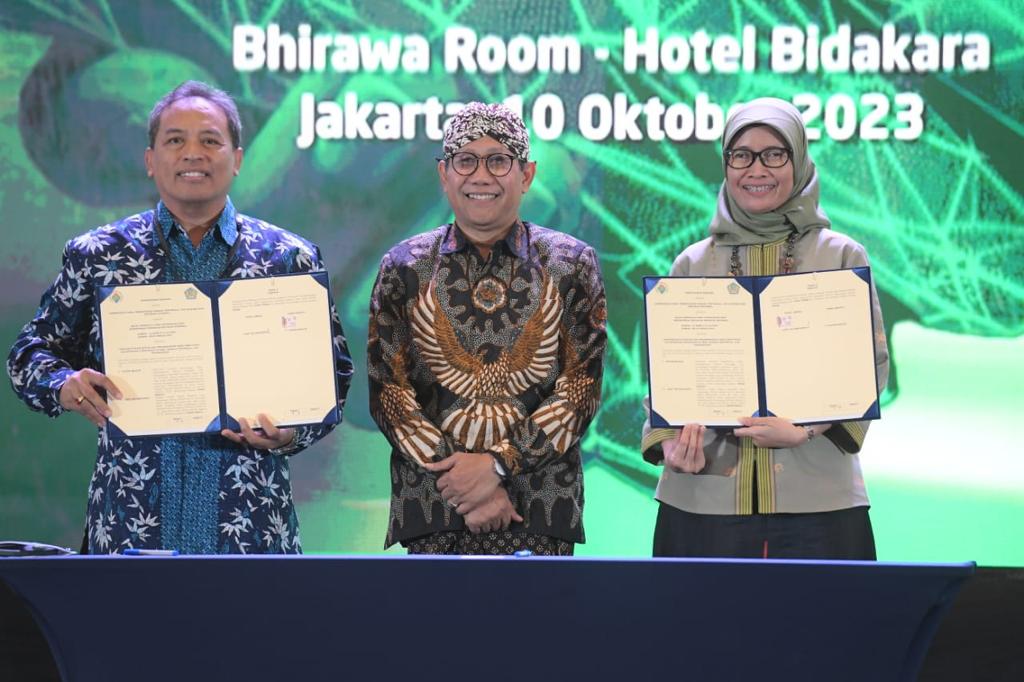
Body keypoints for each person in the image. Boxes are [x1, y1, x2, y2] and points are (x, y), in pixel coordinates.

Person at [7, 80, 353, 554]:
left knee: (252, 609)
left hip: (250, 528)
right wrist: (65, 384)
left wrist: (292, 432)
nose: (193, 153)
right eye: (175, 140)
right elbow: (29, 355)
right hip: (131, 525)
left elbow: (334, 375)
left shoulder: (287, 258)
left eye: (210, 140)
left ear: (238, 158)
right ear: (151, 160)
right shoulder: (100, 256)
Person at [641, 97, 889, 559]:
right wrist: (669, 443)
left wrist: (806, 430)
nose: (757, 170)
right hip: (703, 500)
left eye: (774, 154)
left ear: (799, 160)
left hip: (819, 501)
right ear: (725, 165)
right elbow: (669, 375)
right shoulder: (693, 262)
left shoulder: (840, 256)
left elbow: (869, 367)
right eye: (741, 155)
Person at [368, 102, 606, 555]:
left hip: (537, 510)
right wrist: (463, 485)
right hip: (436, 511)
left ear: (527, 174)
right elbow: (389, 393)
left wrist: (497, 466)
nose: (481, 176)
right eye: (465, 161)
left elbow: (580, 391)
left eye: (498, 161)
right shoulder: (404, 267)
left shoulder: (571, 264)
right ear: (444, 174)